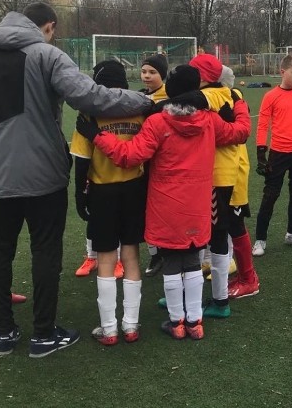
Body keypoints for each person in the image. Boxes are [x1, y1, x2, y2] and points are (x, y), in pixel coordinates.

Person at [0, 2, 152, 358]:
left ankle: (4, 334)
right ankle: (44, 335)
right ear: (48, 26)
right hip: (44, 177)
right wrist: (144, 100)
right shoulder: (47, 55)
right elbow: (91, 96)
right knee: (45, 251)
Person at [75, 64, 251, 340]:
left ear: (169, 88)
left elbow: (129, 156)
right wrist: (238, 102)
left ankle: (176, 322)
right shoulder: (209, 121)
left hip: (166, 204)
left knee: (170, 261)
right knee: (193, 259)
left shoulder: (158, 122)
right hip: (198, 203)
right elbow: (239, 132)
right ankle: (195, 322)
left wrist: (97, 136)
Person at [70, 60, 146, 346]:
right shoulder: (139, 109)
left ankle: (109, 328)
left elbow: (82, 160)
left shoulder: (89, 113)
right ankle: (131, 325)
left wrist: (79, 195)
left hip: (103, 192)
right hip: (134, 189)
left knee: (105, 258)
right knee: (131, 256)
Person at [190, 53, 250, 318]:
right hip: (216, 173)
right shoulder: (229, 95)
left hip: (217, 175)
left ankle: (220, 299)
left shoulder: (213, 96)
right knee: (211, 232)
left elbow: (191, 102)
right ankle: (201, 294)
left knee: (216, 234)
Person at [252, 54, 292, 256]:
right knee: (270, 196)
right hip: (278, 154)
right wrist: (261, 153)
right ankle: (260, 240)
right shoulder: (270, 96)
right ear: (283, 72)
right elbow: (263, 125)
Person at [219, 65, 260, 299]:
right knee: (225, 226)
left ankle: (249, 279)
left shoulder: (230, 99)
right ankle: (237, 273)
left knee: (235, 225)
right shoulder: (229, 98)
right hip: (225, 171)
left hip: (233, 172)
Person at [139, 53, 169, 278]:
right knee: (144, 209)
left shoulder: (169, 97)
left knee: (162, 209)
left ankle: (169, 251)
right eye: (144, 71)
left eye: (152, 72)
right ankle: (155, 253)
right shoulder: (138, 96)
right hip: (142, 160)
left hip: (164, 162)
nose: (147, 76)